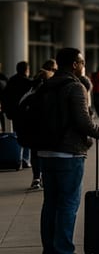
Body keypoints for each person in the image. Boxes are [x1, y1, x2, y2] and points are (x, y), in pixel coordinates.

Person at [38, 47, 99, 254]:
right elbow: (83, 122)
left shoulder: (45, 86)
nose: (83, 66)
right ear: (74, 65)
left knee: (50, 203)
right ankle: (64, 253)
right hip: (68, 153)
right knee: (68, 204)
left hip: (45, 152)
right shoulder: (75, 87)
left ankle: (50, 253)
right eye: (81, 62)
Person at [26, 60, 58, 189]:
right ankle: (43, 178)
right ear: (50, 70)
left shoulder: (34, 83)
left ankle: (36, 178)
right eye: (55, 70)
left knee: (36, 151)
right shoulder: (48, 84)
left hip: (34, 123)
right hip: (45, 123)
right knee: (45, 152)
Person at [2, 61, 34, 170]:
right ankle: (26, 160)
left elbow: (5, 97)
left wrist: (8, 111)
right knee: (28, 135)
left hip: (15, 113)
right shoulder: (28, 82)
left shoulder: (11, 81)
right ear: (26, 70)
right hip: (26, 113)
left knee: (18, 135)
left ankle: (18, 159)